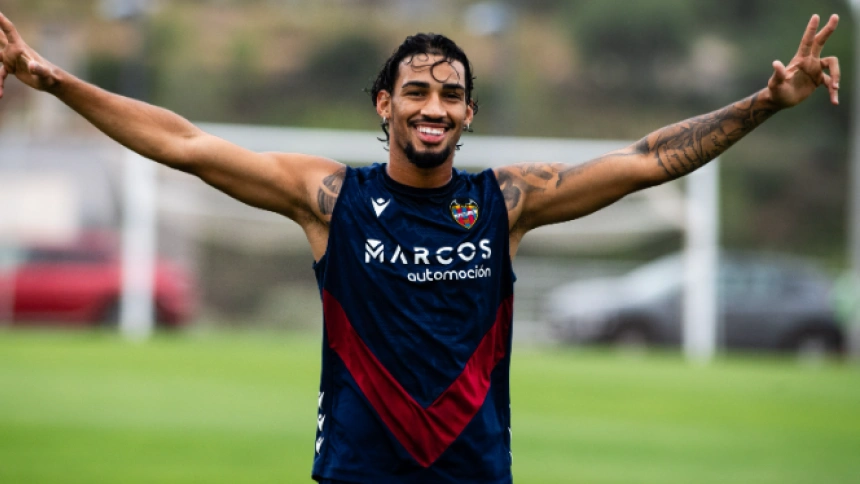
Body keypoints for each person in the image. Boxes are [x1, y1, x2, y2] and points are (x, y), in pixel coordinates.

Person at [0, 10, 840, 484]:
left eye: (450, 93)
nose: (433, 105)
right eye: (415, 91)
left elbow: (647, 160)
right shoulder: (331, 198)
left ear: (469, 113)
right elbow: (182, 143)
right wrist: (49, 76)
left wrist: (766, 102)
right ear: (384, 105)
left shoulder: (505, 202)